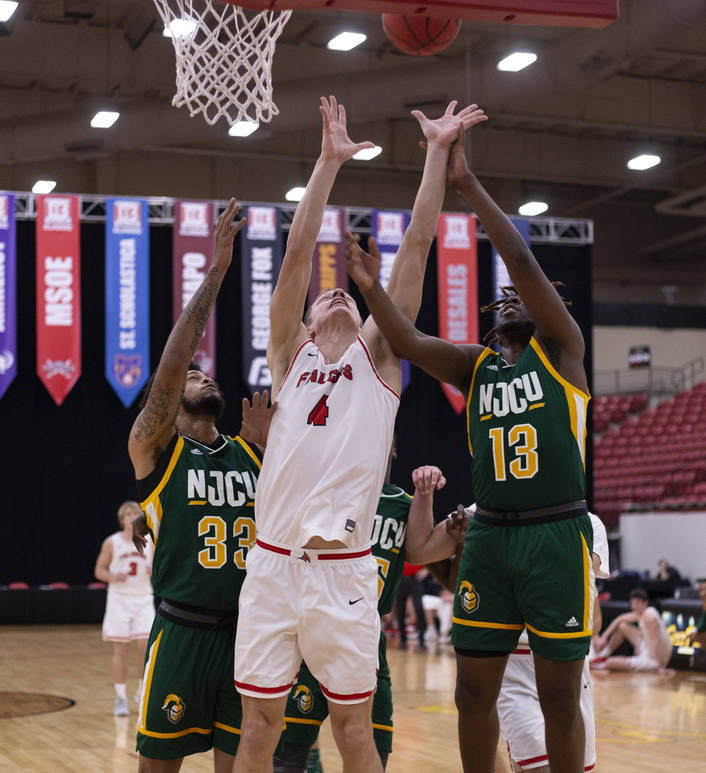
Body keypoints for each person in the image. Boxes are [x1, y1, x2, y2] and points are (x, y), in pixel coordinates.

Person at [232, 95, 486, 773]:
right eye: (326, 296)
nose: (335, 293)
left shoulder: (378, 363)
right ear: (308, 324)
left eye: (345, 291)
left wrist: (436, 152)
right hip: (272, 563)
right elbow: (293, 260)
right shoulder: (292, 359)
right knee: (257, 726)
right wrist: (326, 162)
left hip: (343, 573)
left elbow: (417, 247)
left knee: (353, 732)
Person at [346, 116, 595, 773]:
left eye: (528, 299)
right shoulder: (472, 365)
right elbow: (406, 341)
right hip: (489, 538)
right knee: (469, 691)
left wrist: (467, 182)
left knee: (559, 698)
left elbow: (519, 258)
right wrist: (372, 288)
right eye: (506, 300)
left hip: (553, 534)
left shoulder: (564, 352)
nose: (515, 299)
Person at [128, 198, 267, 772]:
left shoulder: (251, 453)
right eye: (193, 375)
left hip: (248, 637)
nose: (203, 374)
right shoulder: (156, 449)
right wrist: (216, 272)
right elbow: (173, 359)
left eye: (206, 373)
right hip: (182, 633)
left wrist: (265, 447)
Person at [272, 461, 465, 773]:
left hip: (366, 638)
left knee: (372, 754)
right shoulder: (323, 494)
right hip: (311, 629)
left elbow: (434, 561)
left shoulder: (404, 506)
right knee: (289, 758)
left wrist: (428, 499)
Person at [496, 511, 610, 772]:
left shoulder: (589, 522)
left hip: (571, 663)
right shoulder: (490, 511)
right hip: (516, 662)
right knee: (537, 768)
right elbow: (427, 552)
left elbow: (594, 620)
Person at [95, 500, 155, 717]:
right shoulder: (112, 542)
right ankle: (120, 698)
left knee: (145, 646)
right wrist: (113, 576)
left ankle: (141, 691)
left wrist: (153, 570)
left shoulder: (149, 540)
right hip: (119, 600)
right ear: (121, 520)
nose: (131, 517)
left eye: (135, 513)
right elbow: (99, 571)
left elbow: (161, 568)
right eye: (127, 514)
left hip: (143, 599)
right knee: (120, 648)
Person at [593, 589, 674, 674]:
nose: (634, 606)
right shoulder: (642, 613)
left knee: (610, 662)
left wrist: (661, 667)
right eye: (632, 604)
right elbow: (619, 619)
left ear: (645, 603)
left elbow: (656, 643)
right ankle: (601, 656)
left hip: (654, 658)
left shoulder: (649, 617)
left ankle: (595, 664)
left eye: (637, 604)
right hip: (647, 648)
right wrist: (604, 637)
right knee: (622, 626)